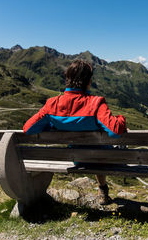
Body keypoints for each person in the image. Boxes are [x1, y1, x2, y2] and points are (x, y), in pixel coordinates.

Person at [23, 59, 127, 205]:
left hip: (77, 158)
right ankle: (103, 189)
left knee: (95, 150)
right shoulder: (95, 103)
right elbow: (115, 131)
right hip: (102, 157)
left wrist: (52, 126)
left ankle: (102, 190)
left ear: (68, 79)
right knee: (111, 148)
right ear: (88, 81)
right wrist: (121, 118)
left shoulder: (52, 104)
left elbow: (28, 129)